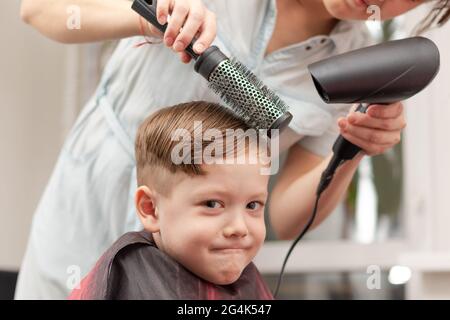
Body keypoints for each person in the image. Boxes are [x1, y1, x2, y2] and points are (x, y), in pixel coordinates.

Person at [15, 0, 449, 299]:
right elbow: (39, 10)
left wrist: (352, 148)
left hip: (191, 274)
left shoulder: (355, 68)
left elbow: (282, 213)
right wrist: (150, 18)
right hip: (84, 216)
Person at [69, 101, 273, 299]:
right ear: (150, 209)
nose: (239, 227)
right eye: (212, 204)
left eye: (252, 205)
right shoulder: (131, 279)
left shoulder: (244, 276)